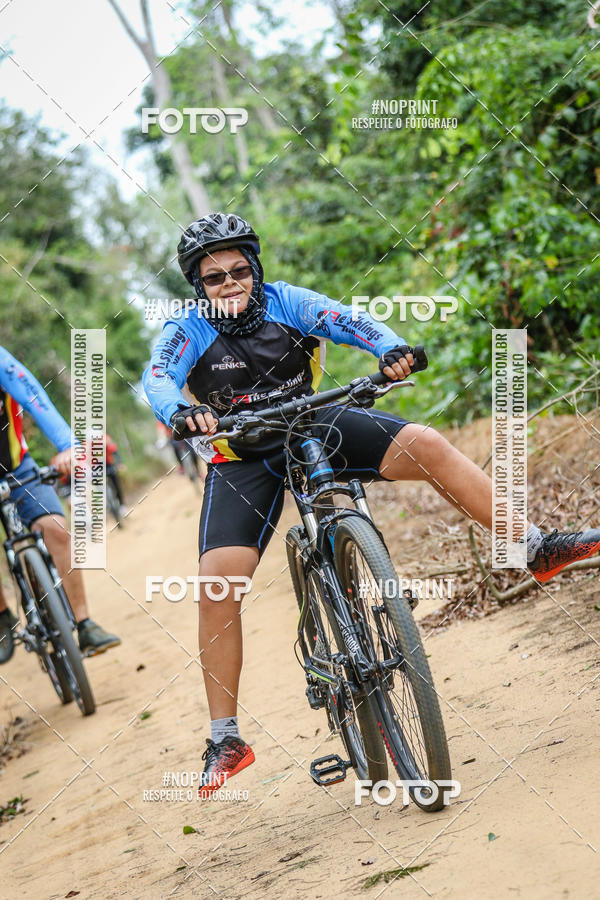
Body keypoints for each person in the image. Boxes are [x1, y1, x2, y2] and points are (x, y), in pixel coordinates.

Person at [142, 212, 600, 796]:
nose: (229, 283)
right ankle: (226, 737)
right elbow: (158, 379)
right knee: (216, 583)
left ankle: (532, 546)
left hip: (310, 422)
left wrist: (391, 350)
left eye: (239, 271)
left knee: (427, 443)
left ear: (255, 270)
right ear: (198, 288)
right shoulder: (188, 329)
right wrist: (181, 412)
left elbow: (350, 322)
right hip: (243, 454)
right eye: (214, 278)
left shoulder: (288, 302)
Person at [0, 346, 121, 663]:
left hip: (17, 468)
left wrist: (69, 446)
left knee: (56, 528)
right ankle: (2, 615)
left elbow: (34, 399)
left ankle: (84, 625)